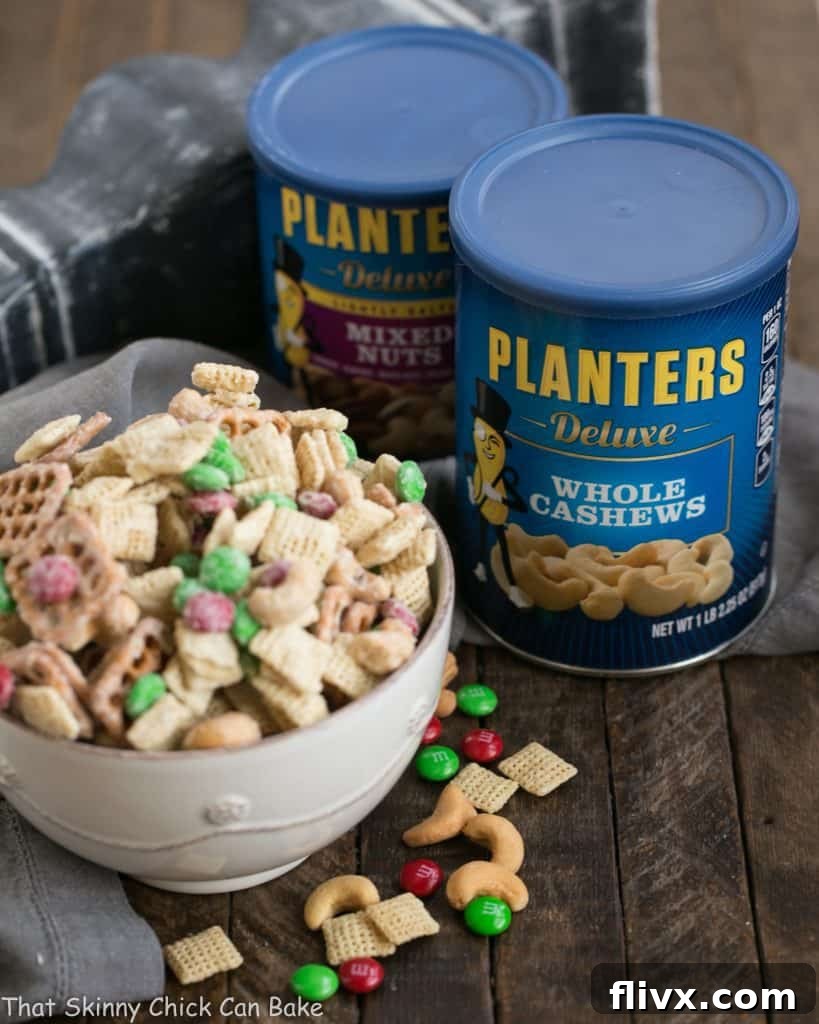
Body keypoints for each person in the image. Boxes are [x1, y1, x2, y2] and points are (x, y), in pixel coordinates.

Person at [464, 379, 529, 607]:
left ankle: (513, 587)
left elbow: (519, 504)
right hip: (481, 506)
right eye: (481, 437)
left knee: (501, 545)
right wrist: (473, 487)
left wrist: (496, 495)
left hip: (499, 513)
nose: (487, 446)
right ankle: (480, 568)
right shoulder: (479, 468)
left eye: (493, 440)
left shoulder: (503, 477)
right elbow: (467, 462)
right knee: (481, 538)